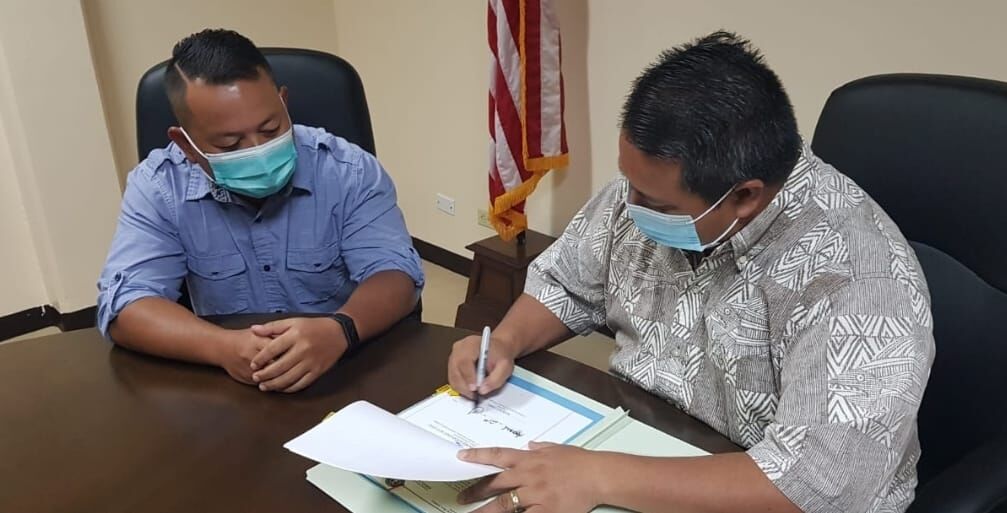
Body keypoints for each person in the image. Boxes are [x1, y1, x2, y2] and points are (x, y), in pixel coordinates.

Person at [447, 32, 934, 513]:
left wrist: (599, 475)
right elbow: (568, 282)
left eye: (652, 202)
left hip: (745, 486)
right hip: (637, 438)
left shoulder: (859, 281)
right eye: (629, 185)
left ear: (744, 196)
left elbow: (814, 485)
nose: (627, 207)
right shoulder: (654, 193)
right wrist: (506, 342)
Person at [97, 29, 424, 393]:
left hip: (346, 365)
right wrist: (222, 347)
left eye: (270, 129)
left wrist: (341, 329)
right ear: (185, 144)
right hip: (234, 378)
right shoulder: (158, 187)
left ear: (284, 103)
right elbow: (126, 306)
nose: (258, 150)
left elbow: (396, 273)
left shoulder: (349, 169)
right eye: (230, 142)